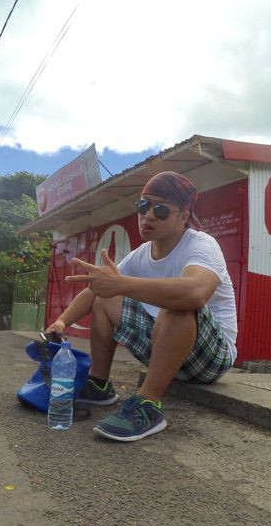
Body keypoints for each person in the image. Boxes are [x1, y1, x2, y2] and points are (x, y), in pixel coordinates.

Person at [45, 171, 237, 442]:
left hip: (212, 359)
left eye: (161, 209)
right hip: (167, 348)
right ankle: (99, 384)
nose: (148, 216)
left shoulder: (202, 245)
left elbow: (195, 292)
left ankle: (148, 404)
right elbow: (96, 291)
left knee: (177, 300)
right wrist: (61, 322)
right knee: (105, 297)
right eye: (143, 205)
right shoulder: (141, 255)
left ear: (183, 216)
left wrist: (121, 284)